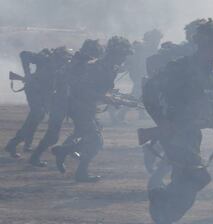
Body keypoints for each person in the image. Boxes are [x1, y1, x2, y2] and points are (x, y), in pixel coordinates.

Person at [142, 18, 213, 224]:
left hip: (192, 134)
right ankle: (161, 217)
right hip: (175, 134)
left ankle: (160, 220)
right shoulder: (180, 68)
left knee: (185, 181)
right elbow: (149, 91)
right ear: (206, 45)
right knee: (197, 177)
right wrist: (162, 121)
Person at [51, 36, 132, 182]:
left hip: (86, 106)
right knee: (96, 141)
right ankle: (77, 168)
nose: (124, 59)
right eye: (123, 55)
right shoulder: (96, 66)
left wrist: (118, 100)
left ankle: (64, 152)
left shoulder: (109, 68)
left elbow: (102, 90)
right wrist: (106, 98)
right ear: (114, 54)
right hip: (78, 106)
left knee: (87, 135)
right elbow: (81, 89)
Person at [29, 40, 104, 167]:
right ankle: (42, 155)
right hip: (62, 102)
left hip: (70, 102)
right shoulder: (77, 63)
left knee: (86, 129)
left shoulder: (80, 62)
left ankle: (68, 149)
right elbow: (71, 84)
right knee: (53, 136)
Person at [5, 47, 68, 158]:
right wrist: (27, 74)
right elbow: (24, 53)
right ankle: (14, 144)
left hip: (44, 93)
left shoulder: (61, 66)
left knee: (37, 116)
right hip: (33, 90)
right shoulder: (44, 59)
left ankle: (21, 143)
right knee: (37, 114)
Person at [109, 29, 163, 124]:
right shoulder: (142, 49)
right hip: (139, 75)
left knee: (143, 94)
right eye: (155, 39)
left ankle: (141, 114)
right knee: (136, 94)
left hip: (144, 75)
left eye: (158, 39)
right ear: (150, 39)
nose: (157, 42)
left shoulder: (151, 49)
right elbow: (133, 61)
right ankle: (121, 113)